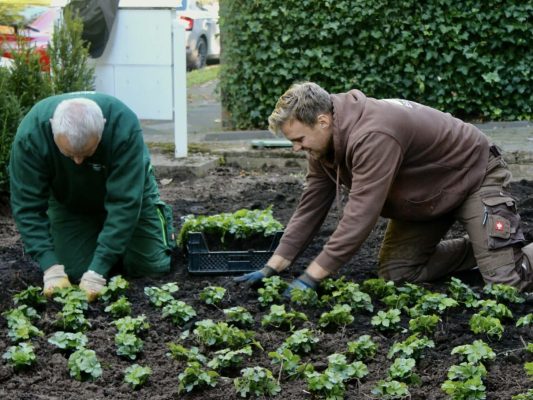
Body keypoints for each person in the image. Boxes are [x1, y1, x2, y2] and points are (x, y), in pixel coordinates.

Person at [235, 82, 533, 296]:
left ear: (322, 121)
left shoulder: (373, 134)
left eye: (298, 139)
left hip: (472, 174)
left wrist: (312, 277)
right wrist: (273, 266)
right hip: (426, 194)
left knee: (506, 287)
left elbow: (360, 216)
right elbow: (310, 206)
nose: (295, 148)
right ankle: (490, 248)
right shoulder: (323, 148)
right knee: (398, 274)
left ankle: (499, 253)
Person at [9, 92, 175, 301]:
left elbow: (125, 202)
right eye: (69, 155)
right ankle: (103, 240)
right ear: (52, 126)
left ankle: (145, 234)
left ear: (102, 127)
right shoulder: (31, 137)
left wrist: (98, 270)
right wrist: (50, 267)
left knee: (152, 267)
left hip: (131, 197)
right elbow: (27, 206)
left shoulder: (122, 125)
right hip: (70, 202)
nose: (78, 161)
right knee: (73, 273)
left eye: (86, 153)